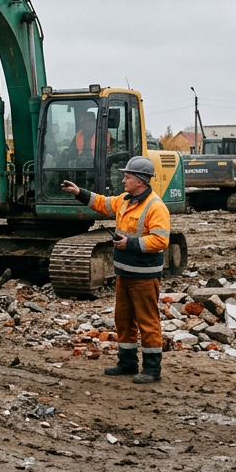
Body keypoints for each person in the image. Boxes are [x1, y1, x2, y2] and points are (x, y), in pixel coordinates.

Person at [61, 156, 171, 383]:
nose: (123, 180)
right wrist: (78, 192)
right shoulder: (126, 200)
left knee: (148, 322)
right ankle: (128, 362)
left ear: (140, 181)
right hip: (124, 274)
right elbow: (102, 203)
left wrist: (129, 244)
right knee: (124, 320)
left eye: (127, 177)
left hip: (144, 276)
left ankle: (152, 369)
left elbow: (160, 241)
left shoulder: (155, 207)